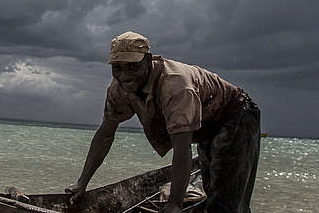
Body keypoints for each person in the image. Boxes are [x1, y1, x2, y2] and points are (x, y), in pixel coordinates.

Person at [66, 32, 260, 213]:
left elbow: (182, 149)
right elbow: (105, 134)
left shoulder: (176, 86)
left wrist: (174, 203)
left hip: (235, 115)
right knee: (211, 189)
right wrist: (82, 183)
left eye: (133, 67)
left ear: (149, 61)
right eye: (118, 68)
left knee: (226, 202)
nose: (125, 75)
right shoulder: (119, 88)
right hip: (204, 125)